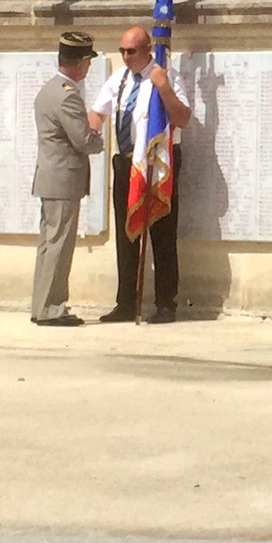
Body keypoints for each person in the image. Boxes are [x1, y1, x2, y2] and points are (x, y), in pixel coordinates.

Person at [89, 25, 191, 324]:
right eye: (121, 50)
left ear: (148, 49)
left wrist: (163, 87)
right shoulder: (119, 79)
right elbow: (97, 113)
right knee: (126, 233)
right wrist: (85, 131)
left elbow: (182, 118)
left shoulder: (165, 75)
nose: (125, 56)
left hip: (159, 161)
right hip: (126, 162)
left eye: (130, 51)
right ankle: (126, 302)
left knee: (162, 233)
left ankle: (165, 303)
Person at [30, 31, 105, 326]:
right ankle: (52, 308)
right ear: (79, 63)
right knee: (59, 245)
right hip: (63, 180)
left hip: (50, 178)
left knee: (49, 244)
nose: (87, 69)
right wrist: (97, 132)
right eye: (87, 62)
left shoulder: (49, 89)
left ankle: (42, 306)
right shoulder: (68, 96)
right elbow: (84, 141)